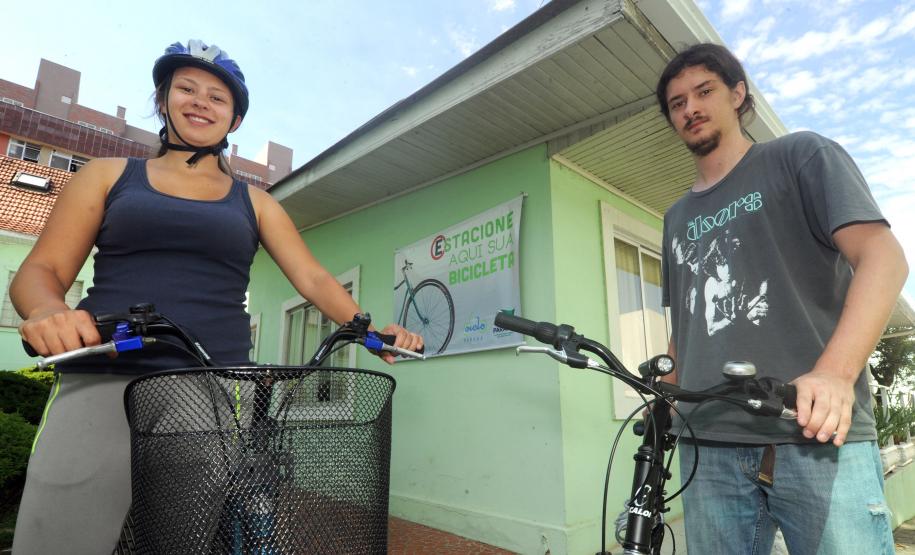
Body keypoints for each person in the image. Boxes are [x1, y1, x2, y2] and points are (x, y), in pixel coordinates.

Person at [10, 40, 423, 555]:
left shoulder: (255, 201)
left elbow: (315, 280)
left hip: (208, 387)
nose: (201, 101)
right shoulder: (108, 176)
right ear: (163, 100)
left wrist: (369, 330)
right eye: (186, 88)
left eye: (217, 97)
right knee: (60, 535)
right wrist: (50, 310)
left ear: (235, 120)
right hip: (106, 369)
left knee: (180, 541)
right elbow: (41, 270)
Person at [656, 43, 908, 554]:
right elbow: (686, 322)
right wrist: (668, 388)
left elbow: (885, 259)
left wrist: (835, 374)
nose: (691, 108)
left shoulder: (800, 156)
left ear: (738, 95)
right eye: (677, 102)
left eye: (704, 91)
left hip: (811, 434)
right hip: (707, 444)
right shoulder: (675, 218)